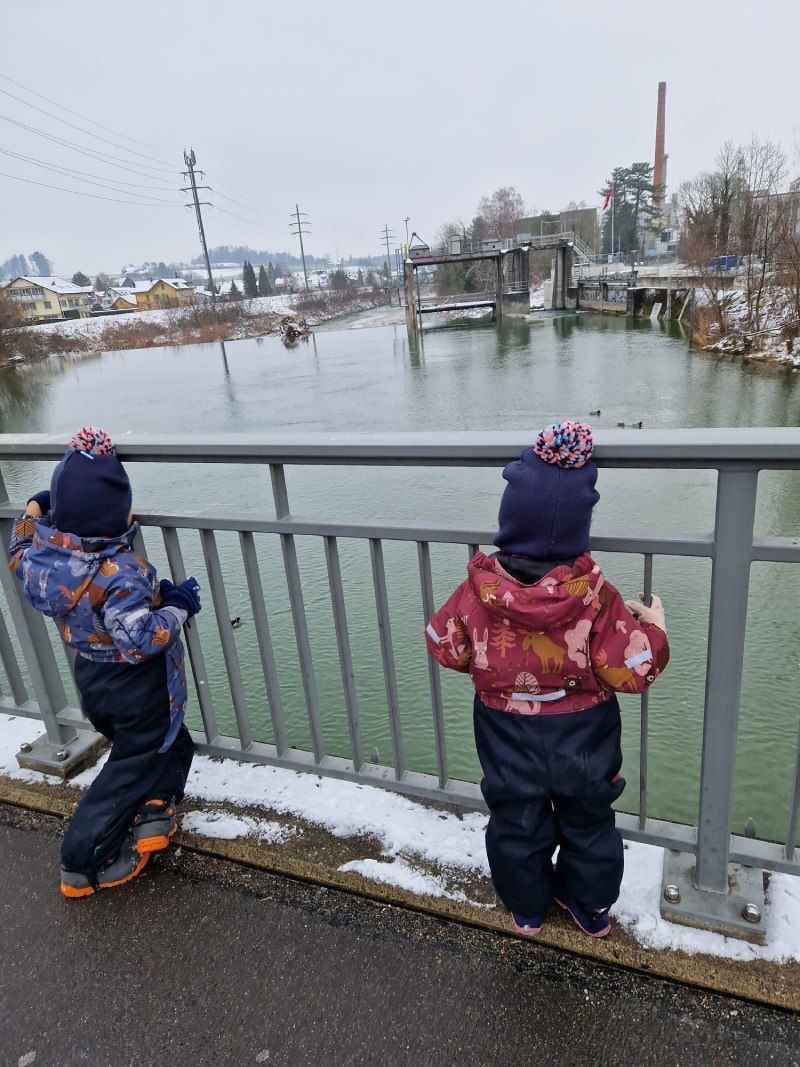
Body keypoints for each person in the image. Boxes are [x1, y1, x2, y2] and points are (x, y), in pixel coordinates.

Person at [425, 421, 669, 938]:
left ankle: (528, 909)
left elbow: (444, 646)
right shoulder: (596, 596)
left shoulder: (478, 590)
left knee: (516, 818)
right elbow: (635, 668)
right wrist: (655, 629)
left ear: (509, 521)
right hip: (584, 732)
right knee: (588, 819)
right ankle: (590, 907)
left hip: (504, 729)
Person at [8, 427, 201, 898]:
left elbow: (17, 544)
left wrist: (37, 508)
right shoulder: (122, 571)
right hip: (138, 686)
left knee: (171, 743)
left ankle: (156, 809)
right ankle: (82, 861)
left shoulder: (40, 562)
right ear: (117, 519)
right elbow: (139, 638)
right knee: (131, 762)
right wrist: (177, 606)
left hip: (94, 679)